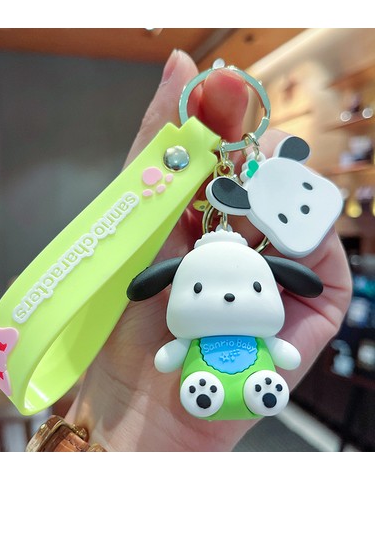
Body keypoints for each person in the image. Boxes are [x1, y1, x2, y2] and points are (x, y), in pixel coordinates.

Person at [65, 49, 352, 451]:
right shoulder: (210, 316)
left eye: (255, 289)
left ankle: (259, 387)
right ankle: (225, 388)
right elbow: (171, 355)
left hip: (236, 367)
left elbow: (279, 351)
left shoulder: (235, 317)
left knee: (254, 381)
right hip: (201, 376)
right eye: (198, 289)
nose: (230, 297)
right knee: (210, 384)